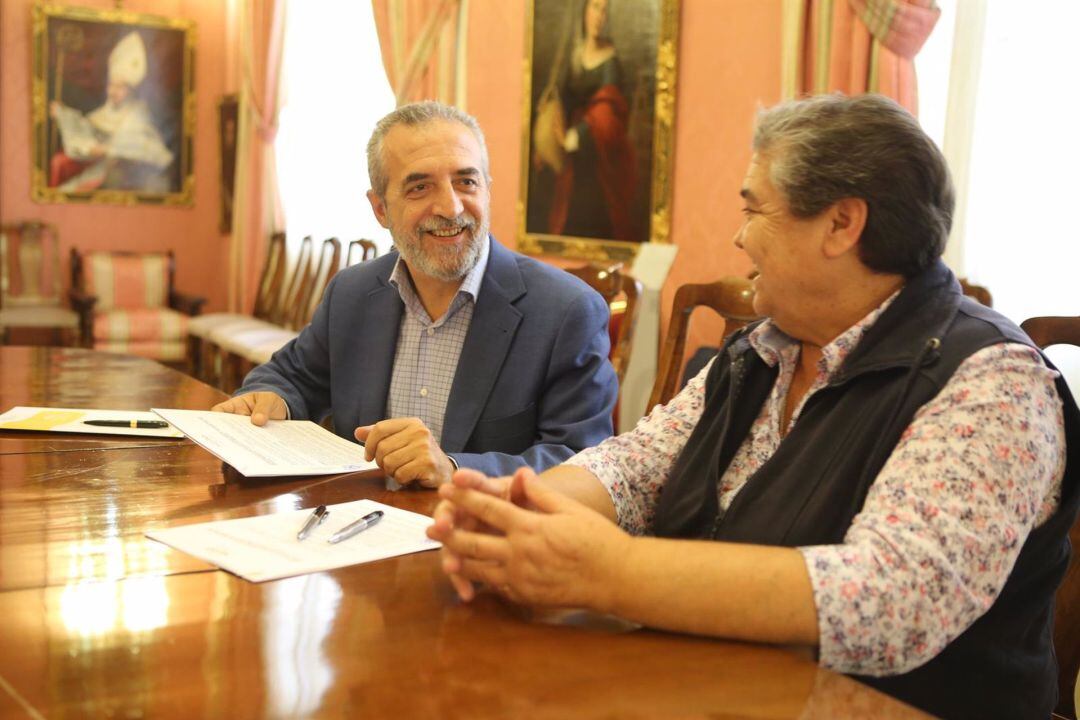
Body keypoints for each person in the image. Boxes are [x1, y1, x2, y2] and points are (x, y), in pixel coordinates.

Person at [429, 94, 1080, 719]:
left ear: (842, 223)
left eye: (754, 211)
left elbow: (886, 599)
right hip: (712, 689)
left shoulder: (995, 382)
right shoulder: (762, 349)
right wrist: (517, 513)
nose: (739, 239)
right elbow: (634, 467)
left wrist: (610, 572)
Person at [214, 101, 618, 488]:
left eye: (466, 181)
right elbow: (290, 376)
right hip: (357, 530)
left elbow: (584, 463)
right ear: (380, 210)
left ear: (488, 190)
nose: (451, 206)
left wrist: (454, 469)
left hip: (482, 542)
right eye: (420, 187)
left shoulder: (566, 312)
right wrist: (267, 399)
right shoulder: (353, 293)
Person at [530, 0, 635, 240]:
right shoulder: (574, 55)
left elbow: (608, 111)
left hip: (596, 152)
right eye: (595, 8)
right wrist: (546, 141)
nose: (600, 16)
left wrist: (577, 136)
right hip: (567, 155)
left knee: (593, 214)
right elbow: (562, 99)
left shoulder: (612, 62)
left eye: (605, 11)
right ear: (585, 12)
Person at [49, 31, 175, 193]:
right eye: (111, 85)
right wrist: (63, 115)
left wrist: (104, 150)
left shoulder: (137, 116)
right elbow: (86, 129)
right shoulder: (106, 112)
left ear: (131, 91)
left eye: (120, 87)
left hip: (129, 177)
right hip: (103, 170)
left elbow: (136, 147)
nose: (114, 91)